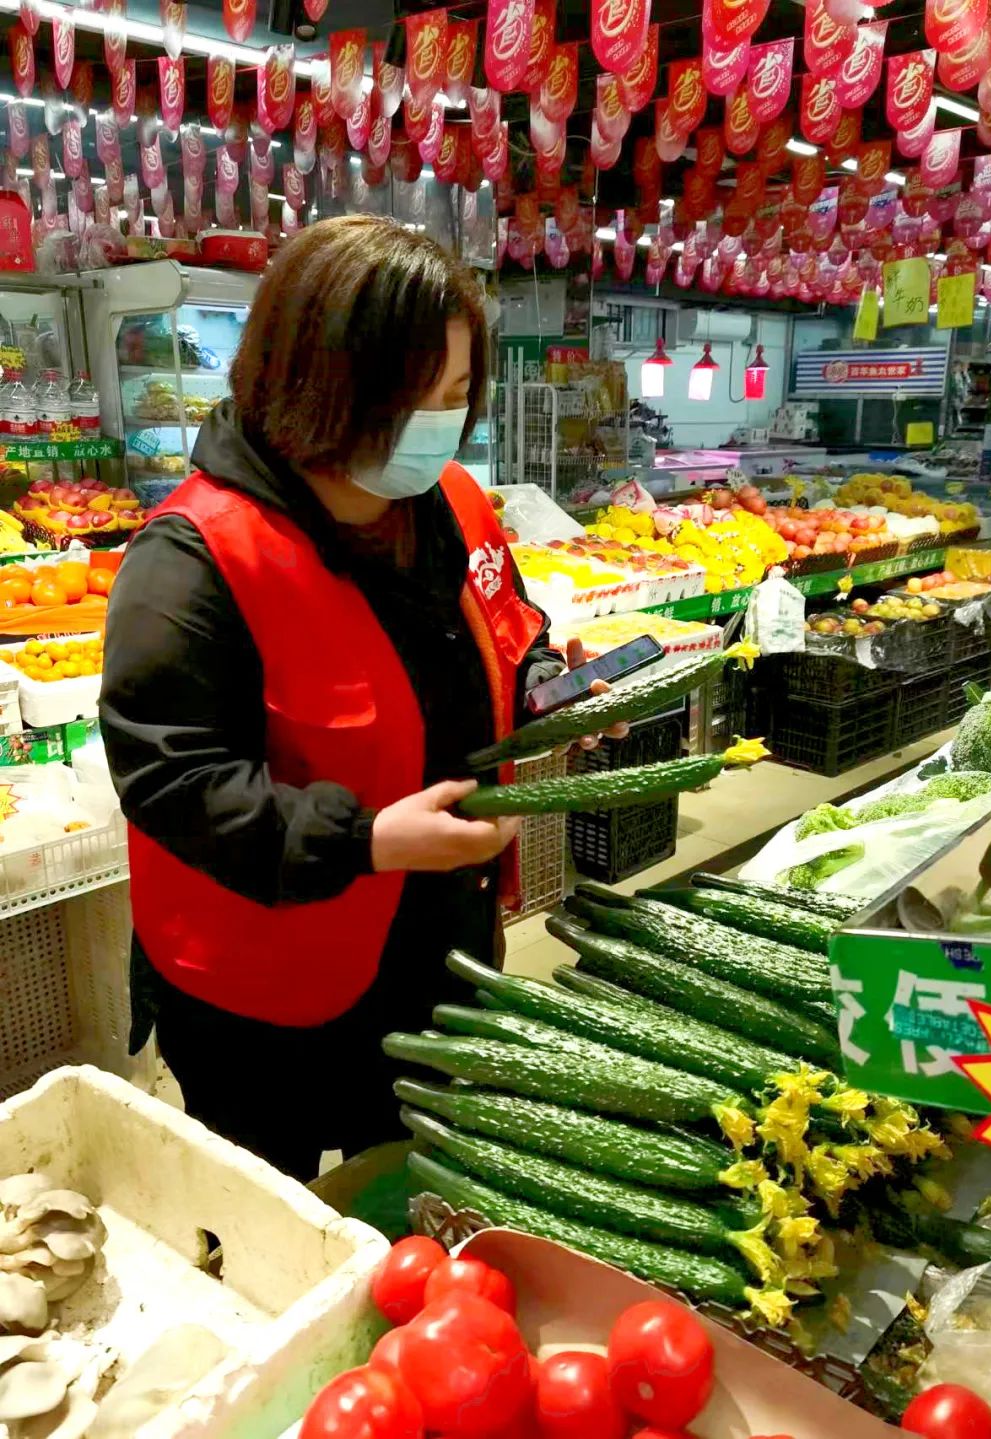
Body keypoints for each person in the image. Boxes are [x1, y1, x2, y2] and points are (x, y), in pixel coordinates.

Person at [100, 216, 622, 1180]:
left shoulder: (453, 503)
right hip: (267, 999)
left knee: (419, 1197)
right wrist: (371, 840)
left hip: (438, 954)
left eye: (458, 395)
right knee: (280, 1236)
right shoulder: (194, 558)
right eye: (415, 398)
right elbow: (175, 783)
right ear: (323, 386)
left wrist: (555, 690)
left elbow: (512, 629)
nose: (441, 422)